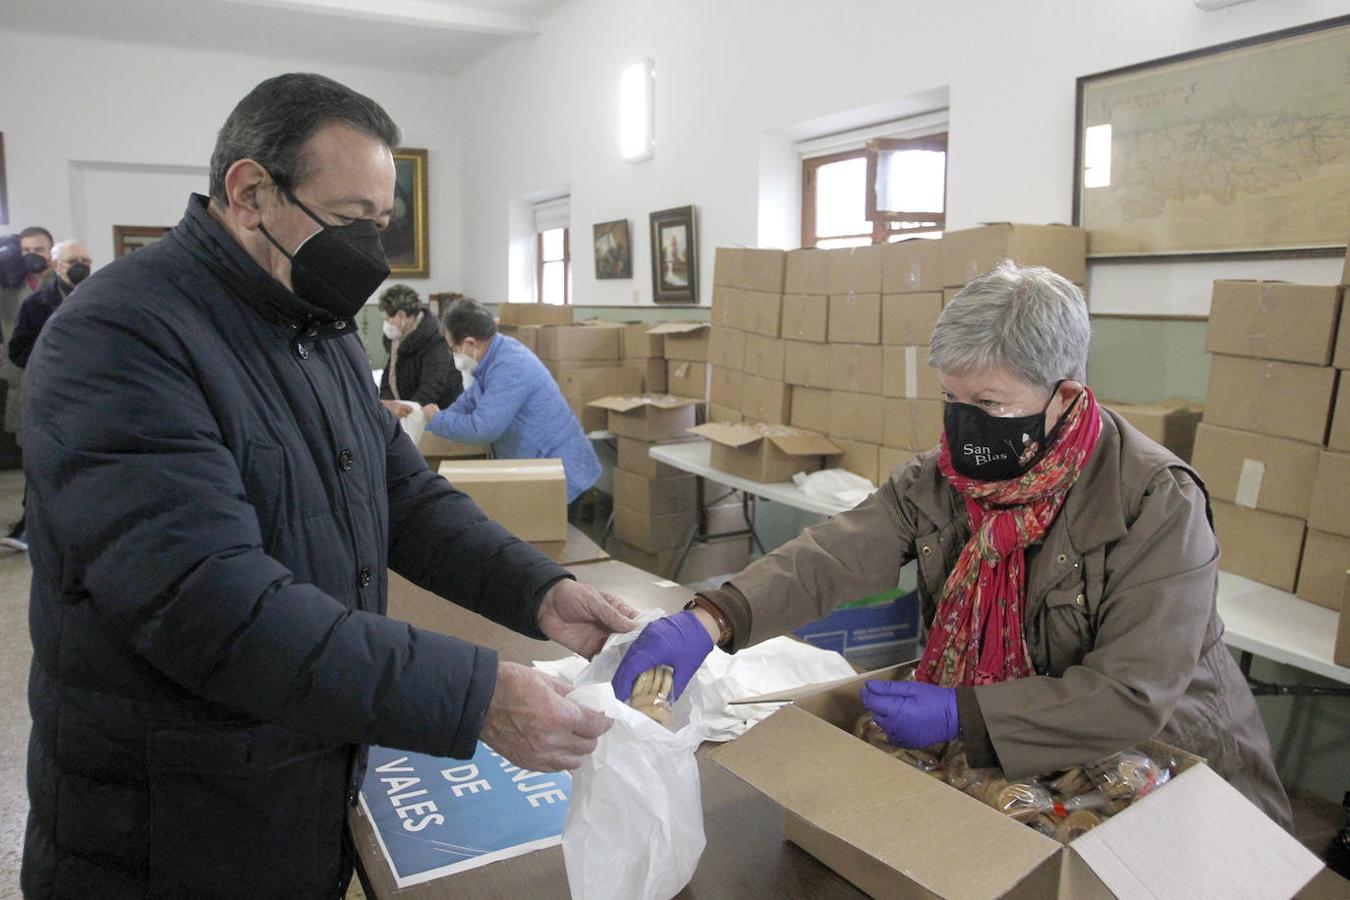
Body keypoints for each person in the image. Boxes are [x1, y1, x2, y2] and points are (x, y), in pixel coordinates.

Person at [22, 73, 637, 897]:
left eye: (380, 226)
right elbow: (208, 602)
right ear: (249, 193)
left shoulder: (318, 330)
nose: (369, 255)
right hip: (168, 818)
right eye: (351, 222)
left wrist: (539, 592)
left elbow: (404, 497)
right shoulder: (119, 336)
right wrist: (477, 695)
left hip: (298, 768)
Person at [611, 260, 1292, 829]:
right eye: (950, 398)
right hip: (1025, 755)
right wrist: (715, 617)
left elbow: (1132, 695)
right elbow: (836, 554)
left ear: (1064, 398)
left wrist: (962, 712)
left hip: (1168, 771)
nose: (965, 427)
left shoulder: (1153, 500)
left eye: (991, 405)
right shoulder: (947, 477)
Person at [421, 298, 601, 504]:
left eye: (453, 348)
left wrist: (436, 420)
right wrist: (431, 419)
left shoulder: (510, 366)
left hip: (559, 470)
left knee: (544, 533)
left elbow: (483, 428)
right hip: (538, 468)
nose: (453, 355)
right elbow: (468, 402)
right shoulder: (492, 357)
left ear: (471, 343)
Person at [1, 240, 93, 551]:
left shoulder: (100, 296)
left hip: (88, 395)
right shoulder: (37, 303)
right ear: (56, 266)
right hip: (48, 393)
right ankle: (30, 528)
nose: (80, 265)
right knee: (42, 464)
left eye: (85, 259)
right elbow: (18, 350)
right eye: (72, 261)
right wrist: (56, 356)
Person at [377, 282, 460, 417]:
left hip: (435, 415)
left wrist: (406, 411)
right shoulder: (397, 338)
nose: (386, 325)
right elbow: (389, 376)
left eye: (388, 319)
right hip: (408, 410)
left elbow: (432, 386)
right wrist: (388, 406)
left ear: (401, 315)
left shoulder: (435, 340)